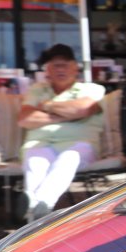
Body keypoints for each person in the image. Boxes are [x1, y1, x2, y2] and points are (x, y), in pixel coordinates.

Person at [18, 44, 104, 224]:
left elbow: (82, 109)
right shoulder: (37, 89)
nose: (60, 69)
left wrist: (46, 105)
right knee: (35, 162)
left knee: (68, 159)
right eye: (55, 65)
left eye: (65, 65)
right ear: (47, 70)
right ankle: (38, 209)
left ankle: (37, 204)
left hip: (79, 143)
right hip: (40, 142)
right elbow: (25, 119)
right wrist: (67, 115)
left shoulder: (92, 89)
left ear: (75, 68)